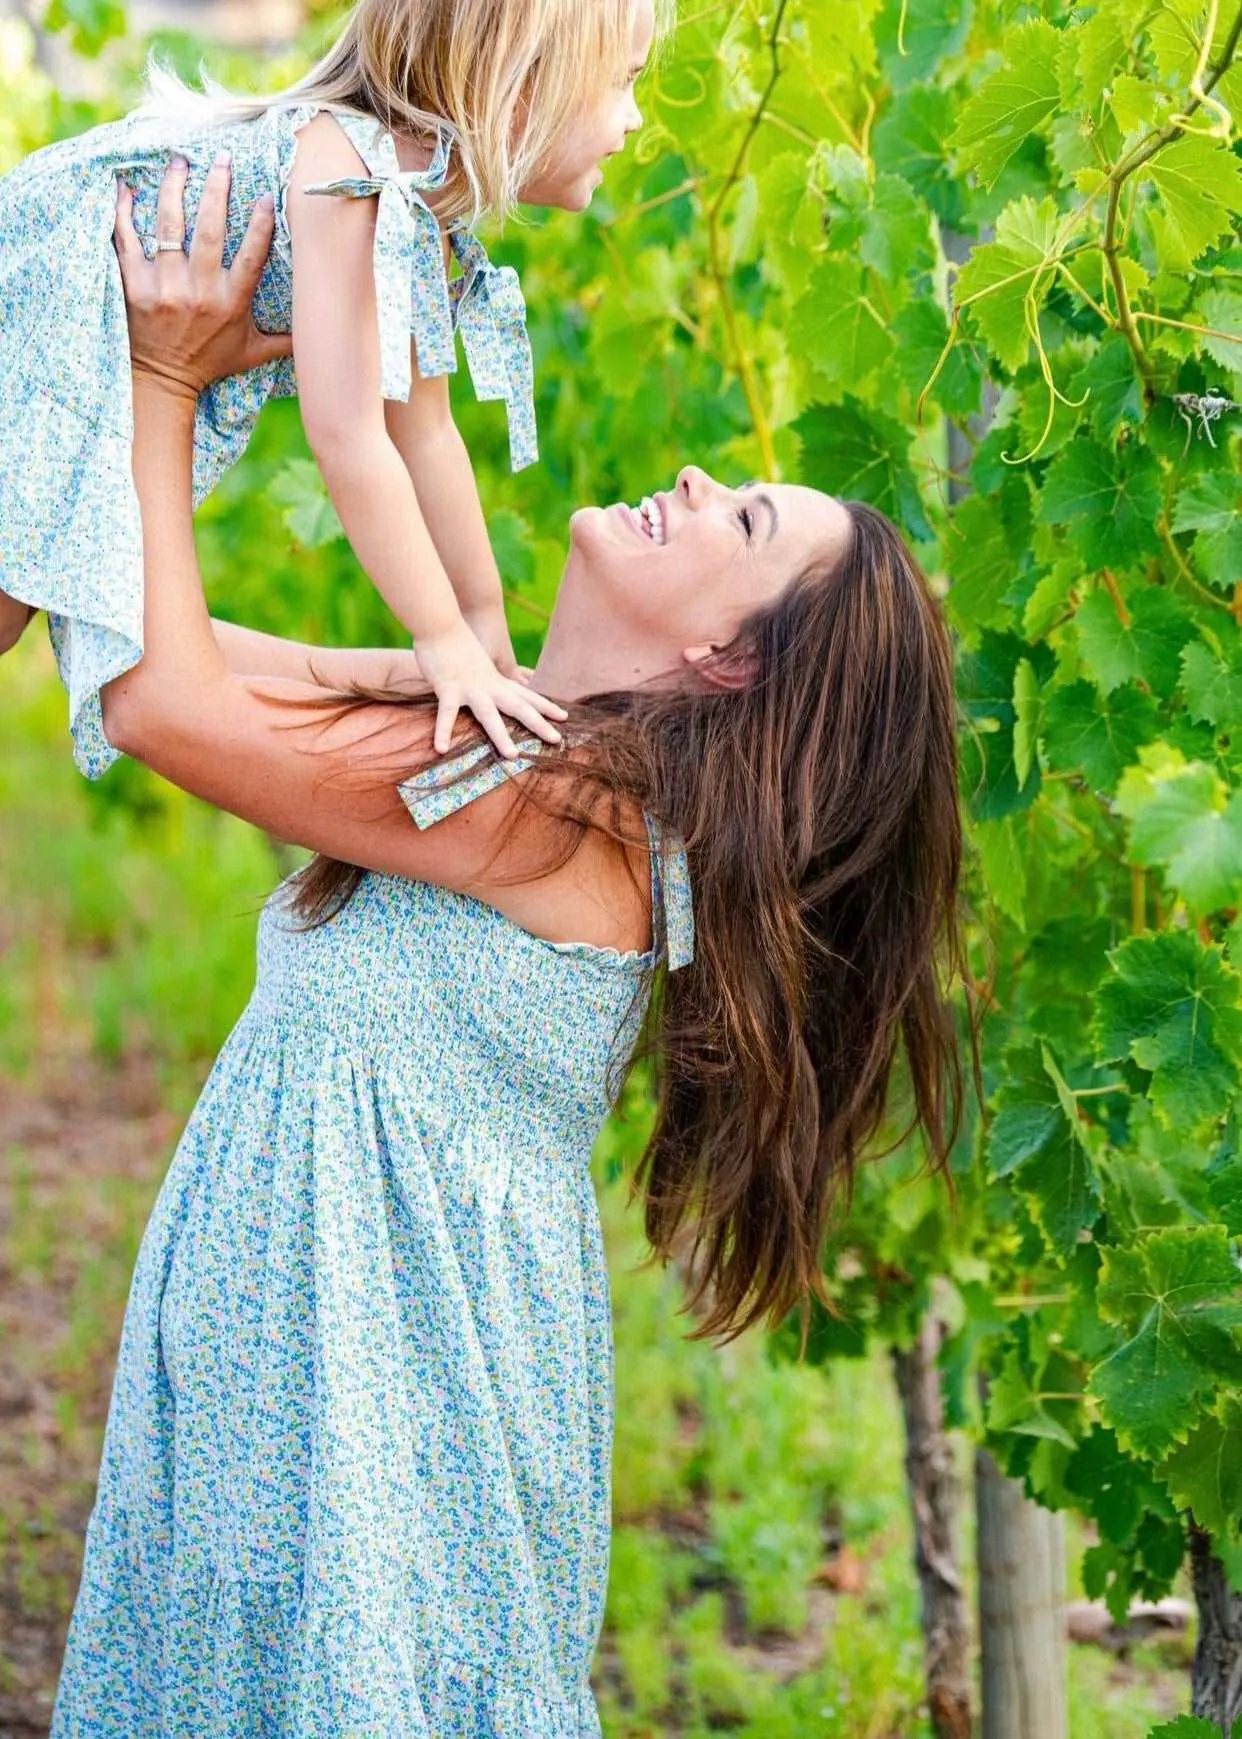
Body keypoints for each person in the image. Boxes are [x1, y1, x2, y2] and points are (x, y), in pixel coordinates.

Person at [48, 165, 970, 1735]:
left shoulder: (572, 810)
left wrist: (156, 377)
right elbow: (174, 648)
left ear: (724, 658)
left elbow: (159, 700)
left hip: (373, 1359)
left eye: (739, 518)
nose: (691, 477)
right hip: (355, 1334)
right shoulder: (531, 749)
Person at [0, 0, 660, 775]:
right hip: (53, 287)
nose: (637, 117)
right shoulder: (351, 173)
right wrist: (439, 640)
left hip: (94, 322)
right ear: (523, 91)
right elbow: (349, 435)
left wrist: (484, 634)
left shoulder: (416, 207)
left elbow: (426, 433)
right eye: (622, 84)